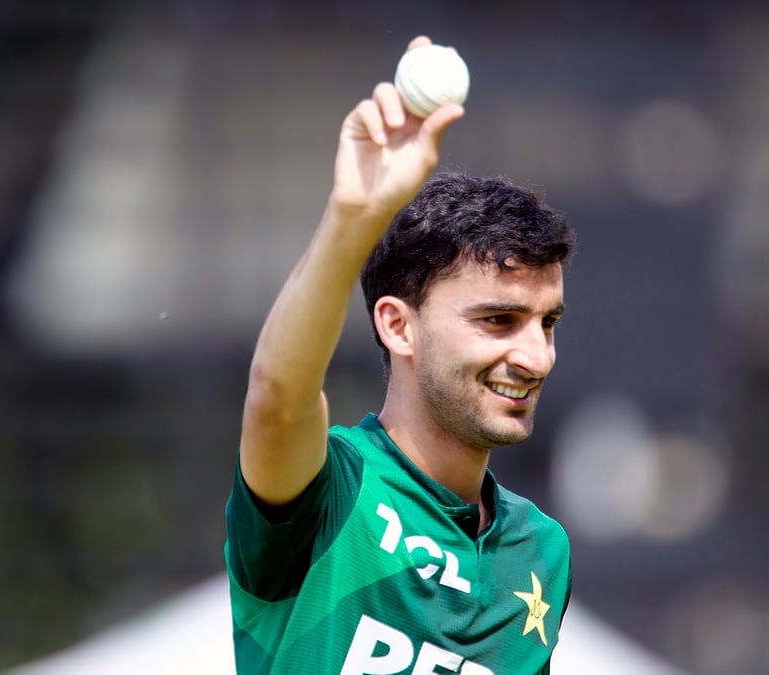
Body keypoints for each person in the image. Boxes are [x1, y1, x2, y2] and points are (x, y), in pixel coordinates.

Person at [225, 35, 576, 675]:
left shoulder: (542, 551)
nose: (534, 355)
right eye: (498, 319)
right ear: (397, 326)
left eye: (545, 323)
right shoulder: (332, 491)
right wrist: (353, 214)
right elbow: (278, 398)